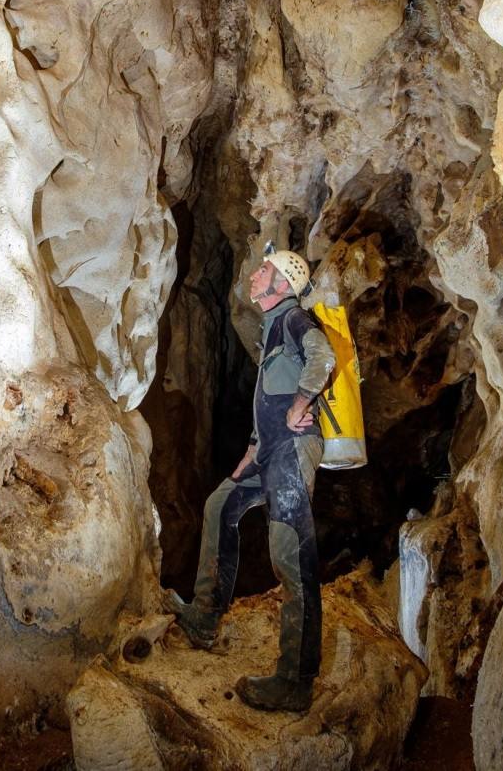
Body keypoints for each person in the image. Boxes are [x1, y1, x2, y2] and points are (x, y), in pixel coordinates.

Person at [161, 247, 336, 713]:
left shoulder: (295, 320)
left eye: (265, 271)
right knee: (221, 504)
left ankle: (295, 680)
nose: (255, 276)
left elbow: (323, 356)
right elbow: (269, 398)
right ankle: (204, 615)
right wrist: (253, 449)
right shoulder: (271, 328)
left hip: (293, 453)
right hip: (269, 453)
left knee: (290, 555)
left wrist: (303, 402)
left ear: (282, 285)